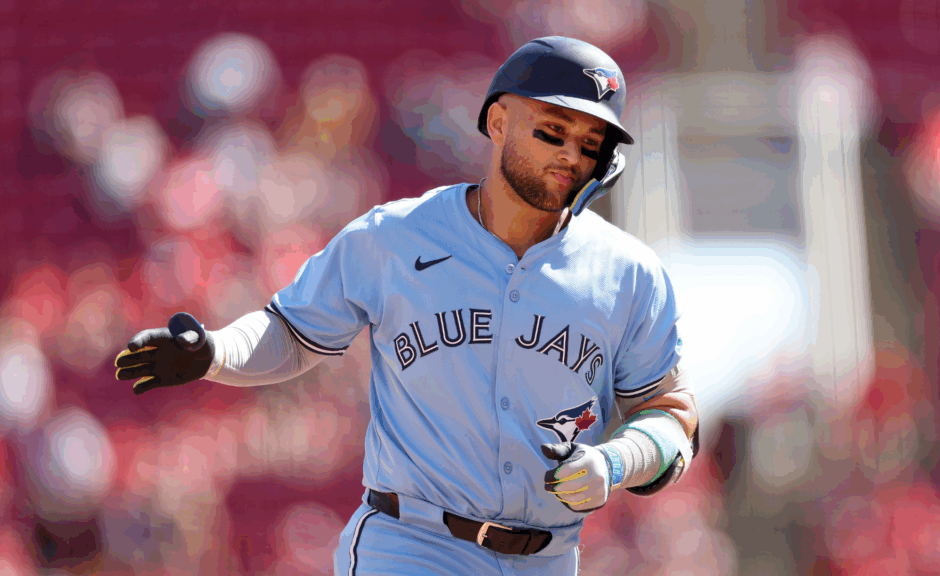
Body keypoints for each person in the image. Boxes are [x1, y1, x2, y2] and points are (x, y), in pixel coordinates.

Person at [114, 36, 699, 576]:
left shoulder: (630, 274)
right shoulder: (394, 236)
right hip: (412, 545)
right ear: (498, 122)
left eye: (591, 145)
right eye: (552, 131)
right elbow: (291, 332)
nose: (570, 155)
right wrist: (215, 352)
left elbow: (672, 417)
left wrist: (618, 463)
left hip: (547, 559)